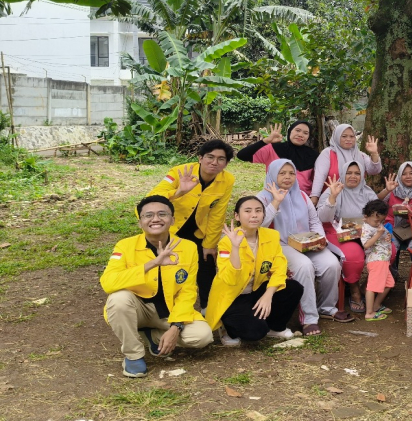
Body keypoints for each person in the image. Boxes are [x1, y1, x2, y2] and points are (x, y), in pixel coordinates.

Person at [101, 195, 213, 378]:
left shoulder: (188, 247)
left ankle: (151, 337)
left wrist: (176, 327)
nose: (155, 219)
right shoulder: (125, 246)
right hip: (136, 309)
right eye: (148, 215)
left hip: (169, 312)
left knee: (202, 336)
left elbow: (188, 291)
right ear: (140, 222)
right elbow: (108, 283)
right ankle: (133, 355)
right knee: (118, 300)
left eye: (162, 214)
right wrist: (152, 264)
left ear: (172, 220)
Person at [257, 159, 352, 336]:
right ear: (272, 175)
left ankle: (326, 307)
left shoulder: (301, 195)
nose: (287, 177)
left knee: (331, 263)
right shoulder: (262, 197)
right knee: (303, 266)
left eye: (291, 173)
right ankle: (309, 318)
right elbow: (259, 226)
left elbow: (314, 221)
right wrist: (275, 202)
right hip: (279, 246)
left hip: (306, 242)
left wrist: (319, 240)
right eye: (282, 173)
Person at [147, 139, 235, 308]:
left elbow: (218, 213)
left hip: (196, 230)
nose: (214, 162)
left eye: (221, 159)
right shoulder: (178, 172)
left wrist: (210, 244)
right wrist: (178, 192)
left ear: (226, 163)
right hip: (168, 229)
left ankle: (207, 308)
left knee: (207, 262)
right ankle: (158, 304)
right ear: (200, 158)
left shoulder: (227, 180)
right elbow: (152, 198)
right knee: (161, 263)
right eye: (210, 157)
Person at [204, 196, 304, 346]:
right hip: (233, 295)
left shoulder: (271, 235)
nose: (254, 215)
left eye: (258, 211)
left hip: (256, 289)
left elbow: (280, 267)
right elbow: (230, 279)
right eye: (248, 211)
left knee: (293, 288)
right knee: (255, 332)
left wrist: (268, 295)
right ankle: (227, 328)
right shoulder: (227, 241)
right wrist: (236, 248)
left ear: (264, 215)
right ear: (237, 216)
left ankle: (275, 327)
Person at [317, 161, 378, 314]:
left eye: (357, 173)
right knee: (353, 256)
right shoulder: (334, 189)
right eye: (349, 173)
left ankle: (368, 286)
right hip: (337, 232)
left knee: (388, 250)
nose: (353, 176)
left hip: (365, 231)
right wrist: (332, 197)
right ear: (343, 174)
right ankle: (354, 289)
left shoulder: (368, 192)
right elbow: (323, 218)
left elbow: (377, 215)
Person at [237, 121, 319, 194]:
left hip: (304, 199)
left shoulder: (313, 155)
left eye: (305, 133)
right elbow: (242, 155)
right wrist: (266, 141)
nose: (300, 135)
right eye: (297, 130)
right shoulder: (273, 148)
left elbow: (317, 180)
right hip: (275, 197)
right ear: (290, 131)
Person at [310, 124, 381, 205]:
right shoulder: (328, 153)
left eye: (351, 136)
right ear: (337, 137)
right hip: (333, 199)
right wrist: (314, 198)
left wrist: (374, 153)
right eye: (344, 136)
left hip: (357, 200)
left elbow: (374, 171)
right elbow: (319, 177)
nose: (348, 139)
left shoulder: (360, 155)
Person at [360, 200, 395, 321]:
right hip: (376, 260)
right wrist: (379, 234)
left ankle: (376, 305)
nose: (379, 223)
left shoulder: (377, 226)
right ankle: (369, 312)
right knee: (373, 286)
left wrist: (387, 236)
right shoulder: (367, 228)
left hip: (384, 259)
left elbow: (382, 235)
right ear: (366, 216)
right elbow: (366, 244)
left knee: (389, 284)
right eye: (376, 220)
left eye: (381, 220)